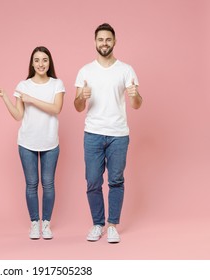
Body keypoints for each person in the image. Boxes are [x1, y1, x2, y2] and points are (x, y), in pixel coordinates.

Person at [74, 23, 142, 243]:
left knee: (116, 180)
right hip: (92, 133)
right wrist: (81, 97)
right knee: (93, 181)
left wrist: (134, 95)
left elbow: (137, 104)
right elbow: (77, 107)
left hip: (118, 134)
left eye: (108, 39)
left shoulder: (126, 70)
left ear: (114, 41)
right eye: (100, 39)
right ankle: (97, 224)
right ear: (95, 42)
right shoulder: (85, 71)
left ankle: (112, 225)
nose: (104, 43)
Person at [0, 46, 65, 240]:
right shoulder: (23, 86)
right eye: (37, 60)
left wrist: (31, 99)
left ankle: (46, 223)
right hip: (27, 142)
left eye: (45, 60)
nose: (41, 64)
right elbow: (18, 116)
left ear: (50, 63)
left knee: (48, 184)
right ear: (32, 63)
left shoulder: (57, 84)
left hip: (50, 142)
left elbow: (56, 108)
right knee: (31, 184)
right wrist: (5, 97)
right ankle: (34, 223)